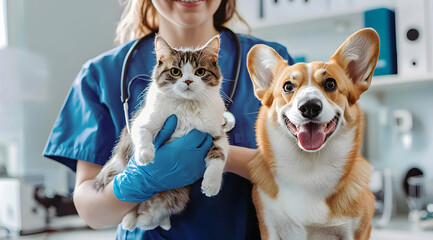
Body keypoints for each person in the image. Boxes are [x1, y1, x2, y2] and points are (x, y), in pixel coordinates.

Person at [43, 0, 295, 239]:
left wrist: (223, 157)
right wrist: (139, 180)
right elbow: (92, 213)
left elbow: (310, 176)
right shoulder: (100, 75)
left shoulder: (272, 65)